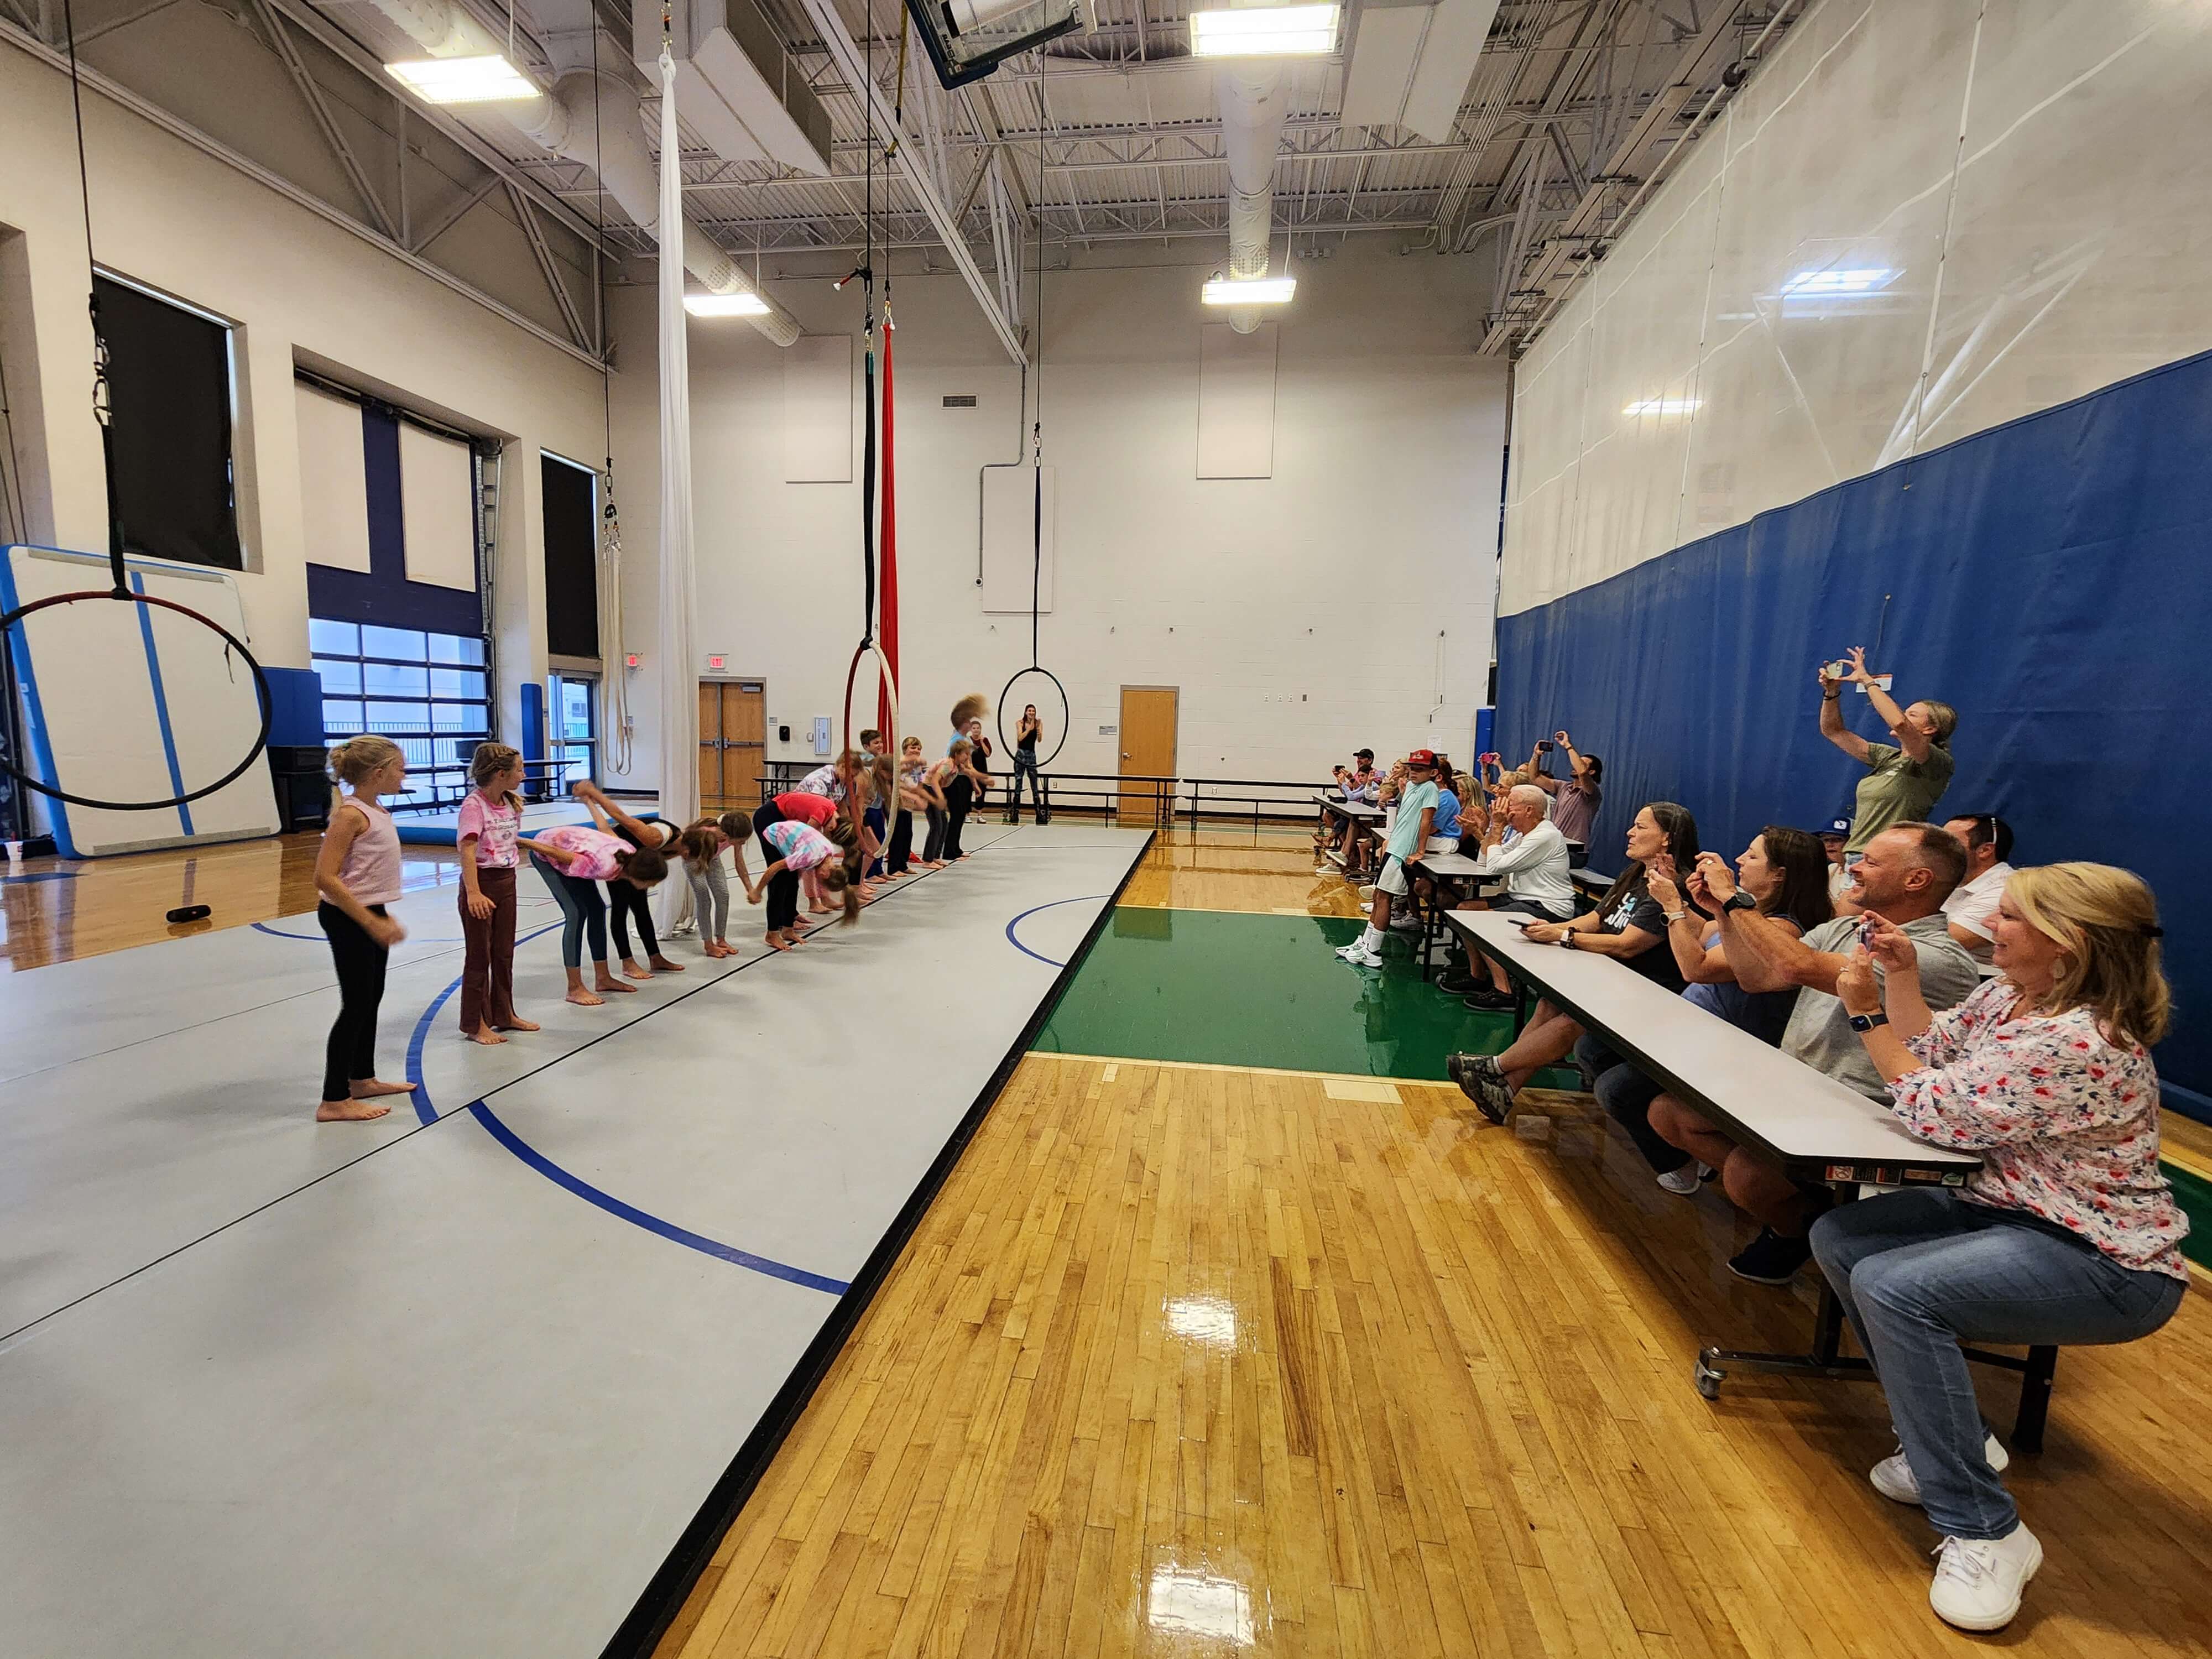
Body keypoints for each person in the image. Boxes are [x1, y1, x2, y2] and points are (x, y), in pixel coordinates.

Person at [1811, 863, 2187, 1634]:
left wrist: (1863, 1015)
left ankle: (1988, 1529)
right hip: (2009, 1214)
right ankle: (1949, 1440)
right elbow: (1935, 1047)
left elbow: (1932, 1107)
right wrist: (1902, 977)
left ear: (2067, 944)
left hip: (2105, 1260)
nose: (1989, 925)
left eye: (2010, 918)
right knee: (1843, 1235)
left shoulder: (2083, 1040)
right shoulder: (2009, 995)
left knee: (1894, 1288)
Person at [1648, 822, 1981, 1284]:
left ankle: (1798, 1228)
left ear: (1917, 881)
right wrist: (1724, 916)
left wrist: (1733, 901)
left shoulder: (1930, 955)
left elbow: (1794, 964)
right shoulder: (1846, 927)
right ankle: (1810, 1210)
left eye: (1871, 861)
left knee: (1747, 1175)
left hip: (1868, 1109)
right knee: (1671, 1113)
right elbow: (1759, 977)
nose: (1852, 867)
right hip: (1801, 1087)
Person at [1588, 827, 1832, 1193]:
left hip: (1728, 1045)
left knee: (1619, 1089)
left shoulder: (1782, 928)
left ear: (1780, 874)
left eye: (1752, 856)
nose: (1739, 862)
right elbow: (1705, 935)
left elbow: (1696, 967)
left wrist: (1673, 908)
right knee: (1594, 1048)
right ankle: (1683, 1150)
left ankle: (1688, 1163)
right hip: (1693, 1029)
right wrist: (1692, 904)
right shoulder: (1750, 912)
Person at [1447, 802, 1700, 1122]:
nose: (1630, 832)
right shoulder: (1637, 872)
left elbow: (1628, 946)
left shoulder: (1673, 885)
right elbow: (1597, 918)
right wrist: (1553, 929)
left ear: (1667, 838)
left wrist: (1564, 938)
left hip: (1650, 991)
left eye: (1640, 827)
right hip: (1611, 974)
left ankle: (1494, 1067)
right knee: (1548, 1005)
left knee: (1573, 1020)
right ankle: (1505, 1091)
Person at [312, 736, 418, 1121]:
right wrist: (369, 920)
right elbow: (325, 877)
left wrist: (379, 913)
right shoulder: (351, 815)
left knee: (370, 999)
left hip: (370, 911)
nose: (404, 775)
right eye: (400, 768)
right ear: (378, 773)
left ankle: (362, 1078)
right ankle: (333, 1099)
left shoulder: (377, 810)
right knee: (355, 1004)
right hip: (348, 916)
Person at [1438, 782, 1575, 1007]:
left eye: (1510, 804)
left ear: (1529, 810)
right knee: (1463, 910)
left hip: (1547, 906)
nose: (1503, 810)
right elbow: (1486, 861)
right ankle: (1478, 976)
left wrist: (1498, 827)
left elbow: (1495, 866)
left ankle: (1504, 992)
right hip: (1522, 897)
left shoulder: (1545, 836)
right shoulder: (1525, 834)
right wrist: (1483, 832)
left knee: (1479, 923)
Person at [1819, 646, 1958, 857]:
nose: (1903, 715)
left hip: (1891, 859)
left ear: (1930, 729)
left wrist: (1866, 680)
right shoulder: (1888, 756)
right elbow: (1833, 731)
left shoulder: (1937, 762)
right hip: (1857, 856)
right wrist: (1832, 693)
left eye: (1912, 714)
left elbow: (1900, 724)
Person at [456, 743, 550, 1045]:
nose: (523, 775)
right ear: (500, 774)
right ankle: (475, 1022)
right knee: (479, 955)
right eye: (519, 770)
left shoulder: (510, 802)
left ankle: (503, 1013)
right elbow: (467, 849)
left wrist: (540, 846)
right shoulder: (474, 805)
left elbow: (506, 837)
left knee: (504, 952)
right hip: (482, 882)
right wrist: (473, 893)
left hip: (507, 880)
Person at [530, 817, 669, 1006]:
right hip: (547, 853)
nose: (652, 886)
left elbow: (606, 829)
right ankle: (574, 988)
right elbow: (557, 853)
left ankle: (603, 978)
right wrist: (523, 841)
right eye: (652, 883)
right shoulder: (605, 867)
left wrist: (590, 802)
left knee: (597, 909)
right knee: (576, 913)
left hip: (573, 850)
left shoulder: (628, 853)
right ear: (640, 877)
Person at [1335, 749, 1442, 969]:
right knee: (1378, 895)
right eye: (1412, 768)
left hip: (1403, 852)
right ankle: (1366, 942)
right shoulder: (1412, 785)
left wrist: (1420, 850)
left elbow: (1425, 821)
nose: (1414, 772)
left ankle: (1374, 951)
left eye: (1420, 769)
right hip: (1394, 846)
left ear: (1433, 772)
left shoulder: (1430, 790)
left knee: (1384, 898)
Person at [575, 781, 686, 980]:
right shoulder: (619, 854)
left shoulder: (674, 843)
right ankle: (627, 962)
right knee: (620, 910)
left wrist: (588, 800)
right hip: (623, 863)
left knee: (642, 910)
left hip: (638, 865)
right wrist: (589, 798)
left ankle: (655, 957)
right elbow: (607, 824)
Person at [752, 813, 860, 949]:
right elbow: (775, 867)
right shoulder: (808, 857)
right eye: (820, 882)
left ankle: (788, 929)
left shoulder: (828, 853)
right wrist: (758, 891)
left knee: (792, 887)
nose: (818, 882)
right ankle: (771, 934)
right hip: (774, 835)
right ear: (824, 874)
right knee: (779, 887)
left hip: (794, 836)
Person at [1939, 813, 2014, 962]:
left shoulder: (2004, 890)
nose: (1935, 851)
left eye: (1948, 843)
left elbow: (1943, 944)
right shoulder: (1952, 879)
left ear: (1985, 850)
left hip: (1980, 977)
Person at [1528, 729, 1601, 855]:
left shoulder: (1593, 792)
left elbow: (1582, 772)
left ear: (1592, 772)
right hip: (1554, 845)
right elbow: (1534, 777)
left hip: (1573, 850)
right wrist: (1536, 756)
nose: (1575, 765)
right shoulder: (1563, 787)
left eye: (1582, 763)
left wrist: (1568, 746)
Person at [674, 818, 737, 958]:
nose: (741, 844)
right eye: (740, 841)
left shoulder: (734, 836)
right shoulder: (705, 832)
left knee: (723, 895)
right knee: (703, 898)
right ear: (727, 835)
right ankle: (708, 944)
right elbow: (683, 843)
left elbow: (739, 861)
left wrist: (750, 887)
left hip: (714, 859)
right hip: (694, 859)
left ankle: (721, 939)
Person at [1009, 703, 1044, 824]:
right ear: (1025, 712)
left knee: (1034, 782)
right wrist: (1029, 729)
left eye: (1033, 711)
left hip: (1031, 755)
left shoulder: (1039, 722)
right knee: (1018, 782)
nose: (1032, 713)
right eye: (1029, 711)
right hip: (1021, 754)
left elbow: (1039, 740)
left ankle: (1039, 812)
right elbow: (1020, 738)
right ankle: (1015, 812)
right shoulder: (1020, 723)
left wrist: (1039, 733)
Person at [1818, 816, 1853, 906]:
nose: (1830, 844)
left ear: (1851, 842)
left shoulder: (1857, 870)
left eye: (1837, 840)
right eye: (1826, 840)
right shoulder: (1832, 869)